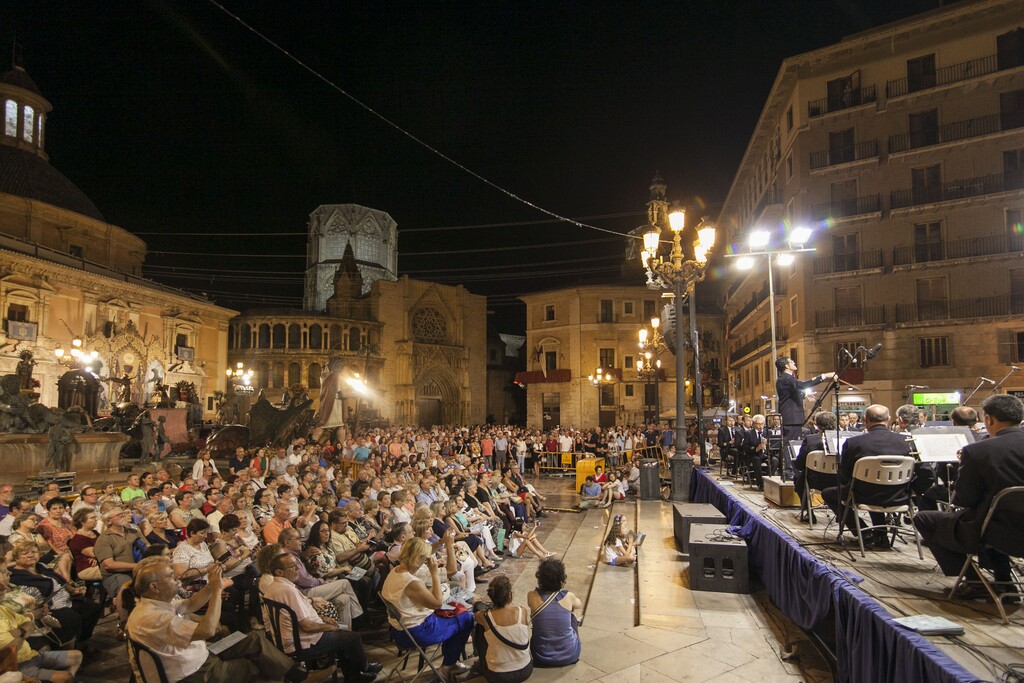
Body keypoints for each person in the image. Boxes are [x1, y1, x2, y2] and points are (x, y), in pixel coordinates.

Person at [914, 394, 1024, 599]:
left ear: (989, 419)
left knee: (926, 518)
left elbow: (963, 499)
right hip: (1011, 527)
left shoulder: (978, 451)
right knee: (992, 514)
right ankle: (1004, 580)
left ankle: (975, 581)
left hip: (998, 531)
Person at [128, 559, 306, 683]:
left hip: (205, 653)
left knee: (253, 638)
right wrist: (215, 592)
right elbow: (208, 630)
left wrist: (213, 582)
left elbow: (191, 603)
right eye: (170, 576)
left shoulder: (158, 604)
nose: (177, 579)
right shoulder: (152, 617)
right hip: (196, 672)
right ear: (154, 586)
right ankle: (296, 677)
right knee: (259, 666)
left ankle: (296, 675)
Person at [260, 553, 382, 682]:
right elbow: (307, 626)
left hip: (292, 638)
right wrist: (329, 627)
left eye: (297, 564)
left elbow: (298, 614)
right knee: (352, 637)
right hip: (303, 642)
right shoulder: (287, 590)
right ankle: (364, 668)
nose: (297, 568)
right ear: (279, 572)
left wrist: (323, 619)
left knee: (344, 635)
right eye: (292, 566)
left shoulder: (274, 587)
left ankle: (354, 675)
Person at [380, 538, 474, 682]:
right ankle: (448, 665)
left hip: (399, 630)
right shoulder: (410, 581)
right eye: (424, 559)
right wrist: (434, 573)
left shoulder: (395, 572)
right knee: (466, 618)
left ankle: (451, 660)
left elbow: (419, 595)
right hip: (418, 632)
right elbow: (436, 603)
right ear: (417, 558)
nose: (426, 562)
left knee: (455, 611)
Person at [820, 404, 913, 548]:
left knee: (829, 494)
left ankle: (864, 533)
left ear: (865, 420)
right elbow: (924, 473)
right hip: (899, 495)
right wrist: (911, 491)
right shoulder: (906, 442)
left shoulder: (854, 443)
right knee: (878, 486)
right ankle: (881, 536)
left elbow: (844, 476)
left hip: (863, 495)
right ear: (888, 419)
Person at [0, 564, 82, 683]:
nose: (3, 588)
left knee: (76, 655)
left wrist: (21, 631)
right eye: (3, 572)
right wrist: (25, 627)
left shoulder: (3, 608)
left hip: (31, 653)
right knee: (65, 677)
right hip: (19, 664)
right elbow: (11, 648)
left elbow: (27, 624)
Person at [775, 356, 836, 477]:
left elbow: (791, 393)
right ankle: (788, 471)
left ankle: (792, 469)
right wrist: (824, 376)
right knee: (788, 444)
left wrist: (803, 395)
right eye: (791, 362)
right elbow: (802, 384)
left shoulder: (786, 379)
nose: (794, 362)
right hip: (791, 416)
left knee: (791, 443)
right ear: (786, 366)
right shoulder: (786, 378)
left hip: (792, 416)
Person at [473, 575, 533, 683]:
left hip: (497, 676)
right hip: (525, 670)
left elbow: (476, 615)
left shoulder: (484, 616)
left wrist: (477, 603)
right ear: (510, 595)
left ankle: (479, 660)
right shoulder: (522, 611)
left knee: (482, 628)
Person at [527, 558, 581, 667]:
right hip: (570, 655)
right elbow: (579, 604)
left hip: (540, 657)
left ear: (540, 578)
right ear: (561, 579)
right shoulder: (568, 596)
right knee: (572, 614)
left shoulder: (532, 596)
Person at [793, 411, 838, 519]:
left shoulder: (810, 439)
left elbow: (799, 464)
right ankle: (841, 514)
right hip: (838, 480)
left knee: (798, 479)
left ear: (817, 424)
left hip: (815, 480)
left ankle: (809, 513)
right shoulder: (843, 439)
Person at [95, 507, 148, 598]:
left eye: (123, 513)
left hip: (140, 569)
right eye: (119, 515)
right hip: (118, 574)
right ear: (109, 521)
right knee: (130, 588)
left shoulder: (134, 532)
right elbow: (109, 564)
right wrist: (137, 566)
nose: (123, 516)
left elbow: (148, 548)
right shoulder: (104, 539)